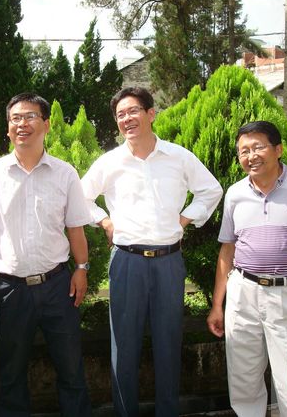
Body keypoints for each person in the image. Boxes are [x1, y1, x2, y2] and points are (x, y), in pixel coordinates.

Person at [81, 87, 223, 416]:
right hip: (126, 262)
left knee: (168, 343)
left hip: (168, 262)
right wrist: (104, 221)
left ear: (150, 114)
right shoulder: (110, 162)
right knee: (124, 346)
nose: (127, 119)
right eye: (120, 115)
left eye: (133, 111)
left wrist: (185, 219)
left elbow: (211, 190)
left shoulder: (178, 157)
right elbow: (80, 196)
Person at [0, 93, 92, 416]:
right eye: (15, 118)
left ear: (46, 124)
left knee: (71, 368)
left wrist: (81, 268)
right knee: (11, 373)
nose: (22, 124)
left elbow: (75, 228)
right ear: (8, 128)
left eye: (30, 117)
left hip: (58, 286)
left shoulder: (65, 173)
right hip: (11, 290)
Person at [206, 120, 287, 416]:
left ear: (278, 150)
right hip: (242, 293)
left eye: (258, 147)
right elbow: (227, 249)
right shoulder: (235, 193)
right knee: (243, 378)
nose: (251, 156)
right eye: (243, 151)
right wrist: (217, 304)